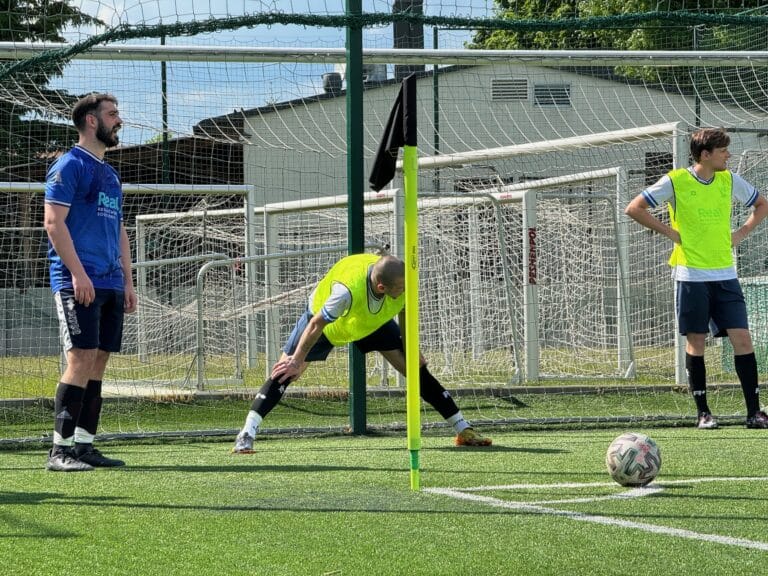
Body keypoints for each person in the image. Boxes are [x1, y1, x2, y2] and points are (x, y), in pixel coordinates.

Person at [232, 253, 492, 452]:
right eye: (400, 288)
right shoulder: (344, 292)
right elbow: (316, 324)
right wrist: (297, 360)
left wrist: (413, 350)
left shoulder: (402, 281)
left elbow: (405, 314)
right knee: (285, 372)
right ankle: (246, 434)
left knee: (416, 370)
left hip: (371, 322)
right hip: (328, 325)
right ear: (382, 288)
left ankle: (463, 430)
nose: (406, 290)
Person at [625, 127, 768, 429]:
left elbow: (761, 204)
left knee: (742, 338)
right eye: (723, 150)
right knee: (697, 341)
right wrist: (672, 234)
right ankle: (703, 413)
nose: (728, 155)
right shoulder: (675, 181)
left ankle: (754, 412)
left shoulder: (729, 180)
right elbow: (635, 208)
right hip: (690, 275)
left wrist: (741, 232)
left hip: (726, 274)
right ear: (706, 154)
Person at [43, 93, 137, 471]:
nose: (120, 120)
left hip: (110, 282)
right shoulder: (69, 165)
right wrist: (79, 274)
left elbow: (120, 230)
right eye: (113, 114)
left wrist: (128, 282)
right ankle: (59, 451)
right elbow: (53, 223)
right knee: (79, 359)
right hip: (77, 281)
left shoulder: (111, 174)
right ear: (93, 121)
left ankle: (84, 446)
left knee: (98, 361)